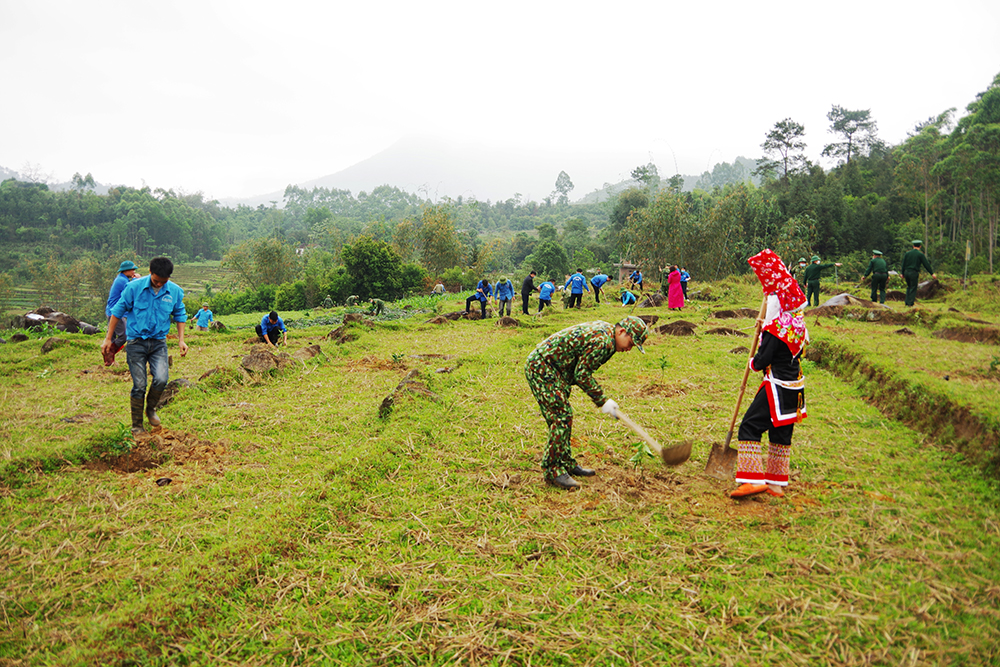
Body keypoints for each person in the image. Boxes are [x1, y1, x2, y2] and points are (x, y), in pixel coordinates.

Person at [525, 316, 648, 490]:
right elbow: (582, 375)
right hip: (542, 367)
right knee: (561, 416)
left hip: (557, 370)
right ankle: (553, 470)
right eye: (631, 343)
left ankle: (565, 462)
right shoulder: (603, 342)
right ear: (621, 331)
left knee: (564, 416)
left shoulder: (609, 335)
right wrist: (602, 400)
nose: (629, 349)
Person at [732, 294, 808, 499]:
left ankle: (753, 480)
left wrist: (752, 361)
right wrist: (764, 326)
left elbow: (761, 361)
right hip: (795, 387)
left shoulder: (775, 330)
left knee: (750, 426)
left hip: (777, 386)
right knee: (780, 433)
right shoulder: (797, 324)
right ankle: (776, 485)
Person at [100, 257, 188, 434]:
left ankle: (151, 408)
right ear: (150, 272)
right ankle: (137, 425)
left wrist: (181, 340)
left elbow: (179, 314)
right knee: (139, 385)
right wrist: (108, 339)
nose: (159, 284)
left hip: (158, 343)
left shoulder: (175, 291)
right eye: (156, 281)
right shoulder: (134, 288)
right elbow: (117, 311)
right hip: (136, 342)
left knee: (161, 379)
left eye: (163, 282)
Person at [103, 260, 139, 366]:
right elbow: (130, 290)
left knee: (112, 337)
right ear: (125, 270)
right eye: (132, 270)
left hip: (111, 311)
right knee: (124, 335)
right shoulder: (122, 281)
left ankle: (109, 360)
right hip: (115, 313)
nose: (134, 272)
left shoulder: (122, 279)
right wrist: (136, 280)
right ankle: (110, 353)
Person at [901, 240, 937, 307]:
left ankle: (907, 302)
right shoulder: (920, 254)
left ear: (913, 246)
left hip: (906, 272)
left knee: (909, 287)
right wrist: (932, 273)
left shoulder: (907, 253)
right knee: (913, 287)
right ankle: (910, 303)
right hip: (913, 273)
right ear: (920, 246)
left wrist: (902, 273)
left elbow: (903, 264)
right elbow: (926, 264)